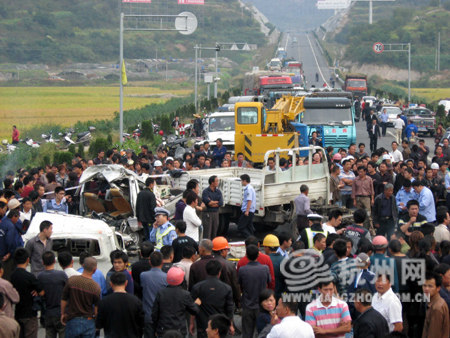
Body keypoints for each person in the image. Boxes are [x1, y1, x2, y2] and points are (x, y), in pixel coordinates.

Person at [190, 260, 234, 338]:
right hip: (220, 325)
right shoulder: (227, 288)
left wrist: (191, 323)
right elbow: (229, 308)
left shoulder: (197, 287)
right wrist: (230, 325)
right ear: (219, 272)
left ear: (206, 271)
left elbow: (193, 307)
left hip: (203, 324)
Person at [152, 267, 200, 336]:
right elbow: (194, 310)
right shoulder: (185, 294)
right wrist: (196, 304)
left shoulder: (161, 293)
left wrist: (156, 328)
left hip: (163, 329)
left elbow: (154, 313)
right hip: (179, 330)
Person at [61, 256, 101, 337]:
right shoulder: (96, 287)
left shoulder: (72, 280)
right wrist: (97, 322)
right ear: (94, 270)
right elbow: (96, 310)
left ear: (82, 266)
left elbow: (64, 299)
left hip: (72, 320)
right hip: (88, 320)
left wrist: (63, 313)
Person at [96, 272, 144, 338]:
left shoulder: (104, 301)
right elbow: (141, 323)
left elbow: (99, 323)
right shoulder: (136, 301)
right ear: (126, 283)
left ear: (111, 284)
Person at [10, 248, 45, 338]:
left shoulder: (12, 276)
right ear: (27, 260)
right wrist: (36, 291)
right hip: (30, 314)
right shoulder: (30, 277)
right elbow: (42, 292)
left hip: (17, 313)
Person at [238, 244, 271, 338]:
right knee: (261, 333)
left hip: (247, 305)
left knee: (247, 333)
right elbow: (269, 281)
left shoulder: (242, 270)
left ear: (246, 255)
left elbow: (240, 285)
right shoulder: (265, 268)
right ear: (258, 255)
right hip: (261, 307)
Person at [37, 251, 68, 338]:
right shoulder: (61, 274)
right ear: (55, 261)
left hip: (48, 313)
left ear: (43, 262)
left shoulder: (40, 276)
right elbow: (69, 290)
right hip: (60, 312)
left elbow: (40, 293)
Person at [141, 251, 168, 338]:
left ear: (150, 262)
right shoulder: (166, 277)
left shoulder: (143, 275)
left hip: (148, 315)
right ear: (162, 262)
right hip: (162, 316)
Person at [212, 237, 240, 308]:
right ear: (222, 251)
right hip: (225, 300)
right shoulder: (230, 265)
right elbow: (235, 284)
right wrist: (238, 301)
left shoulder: (206, 263)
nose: (227, 252)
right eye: (227, 250)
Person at [422, 271, 450, 337]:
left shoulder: (436, 308)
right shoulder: (436, 302)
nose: (426, 289)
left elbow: (434, 334)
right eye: (424, 285)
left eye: (430, 286)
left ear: (438, 288)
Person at [262, 235, 285, 299]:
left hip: (267, 295)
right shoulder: (284, 260)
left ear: (267, 248)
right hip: (281, 296)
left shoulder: (265, 261)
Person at [0, 209, 21, 280]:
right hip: (5, 256)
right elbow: (10, 240)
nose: (17, 220)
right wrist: (10, 252)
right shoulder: (11, 226)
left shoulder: (1, 222)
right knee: (6, 276)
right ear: (14, 217)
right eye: (17, 218)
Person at [136, 177, 157, 242]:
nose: (154, 186)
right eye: (153, 184)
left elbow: (137, 207)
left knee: (147, 234)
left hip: (142, 219)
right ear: (151, 184)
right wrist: (155, 217)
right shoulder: (151, 194)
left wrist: (138, 218)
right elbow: (153, 207)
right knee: (152, 235)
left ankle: (147, 246)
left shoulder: (140, 194)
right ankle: (150, 248)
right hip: (150, 219)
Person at [238, 174, 256, 239]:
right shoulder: (251, 188)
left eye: (241, 181)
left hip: (248, 210)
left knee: (241, 227)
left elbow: (249, 200)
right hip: (250, 210)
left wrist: (247, 210)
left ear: (244, 180)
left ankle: (250, 239)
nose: (241, 182)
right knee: (249, 226)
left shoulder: (248, 189)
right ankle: (253, 240)